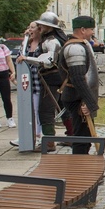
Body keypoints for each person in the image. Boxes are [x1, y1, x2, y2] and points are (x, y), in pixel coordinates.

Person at [57, 15, 100, 154]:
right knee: (82, 139)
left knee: (85, 136)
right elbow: (78, 78)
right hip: (78, 99)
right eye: (91, 29)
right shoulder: (75, 48)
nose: (93, 32)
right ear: (82, 29)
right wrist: (88, 102)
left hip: (80, 98)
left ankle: (83, 168)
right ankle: (78, 170)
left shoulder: (81, 44)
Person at [27, 11, 71, 143]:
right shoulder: (49, 39)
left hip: (52, 80)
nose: (40, 28)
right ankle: (72, 137)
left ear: (49, 27)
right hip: (60, 79)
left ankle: (49, 143)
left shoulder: (51, 41)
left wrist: (27, 59)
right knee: (64, 109)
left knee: (46, 110)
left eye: (42, 26)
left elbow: (49, 62)